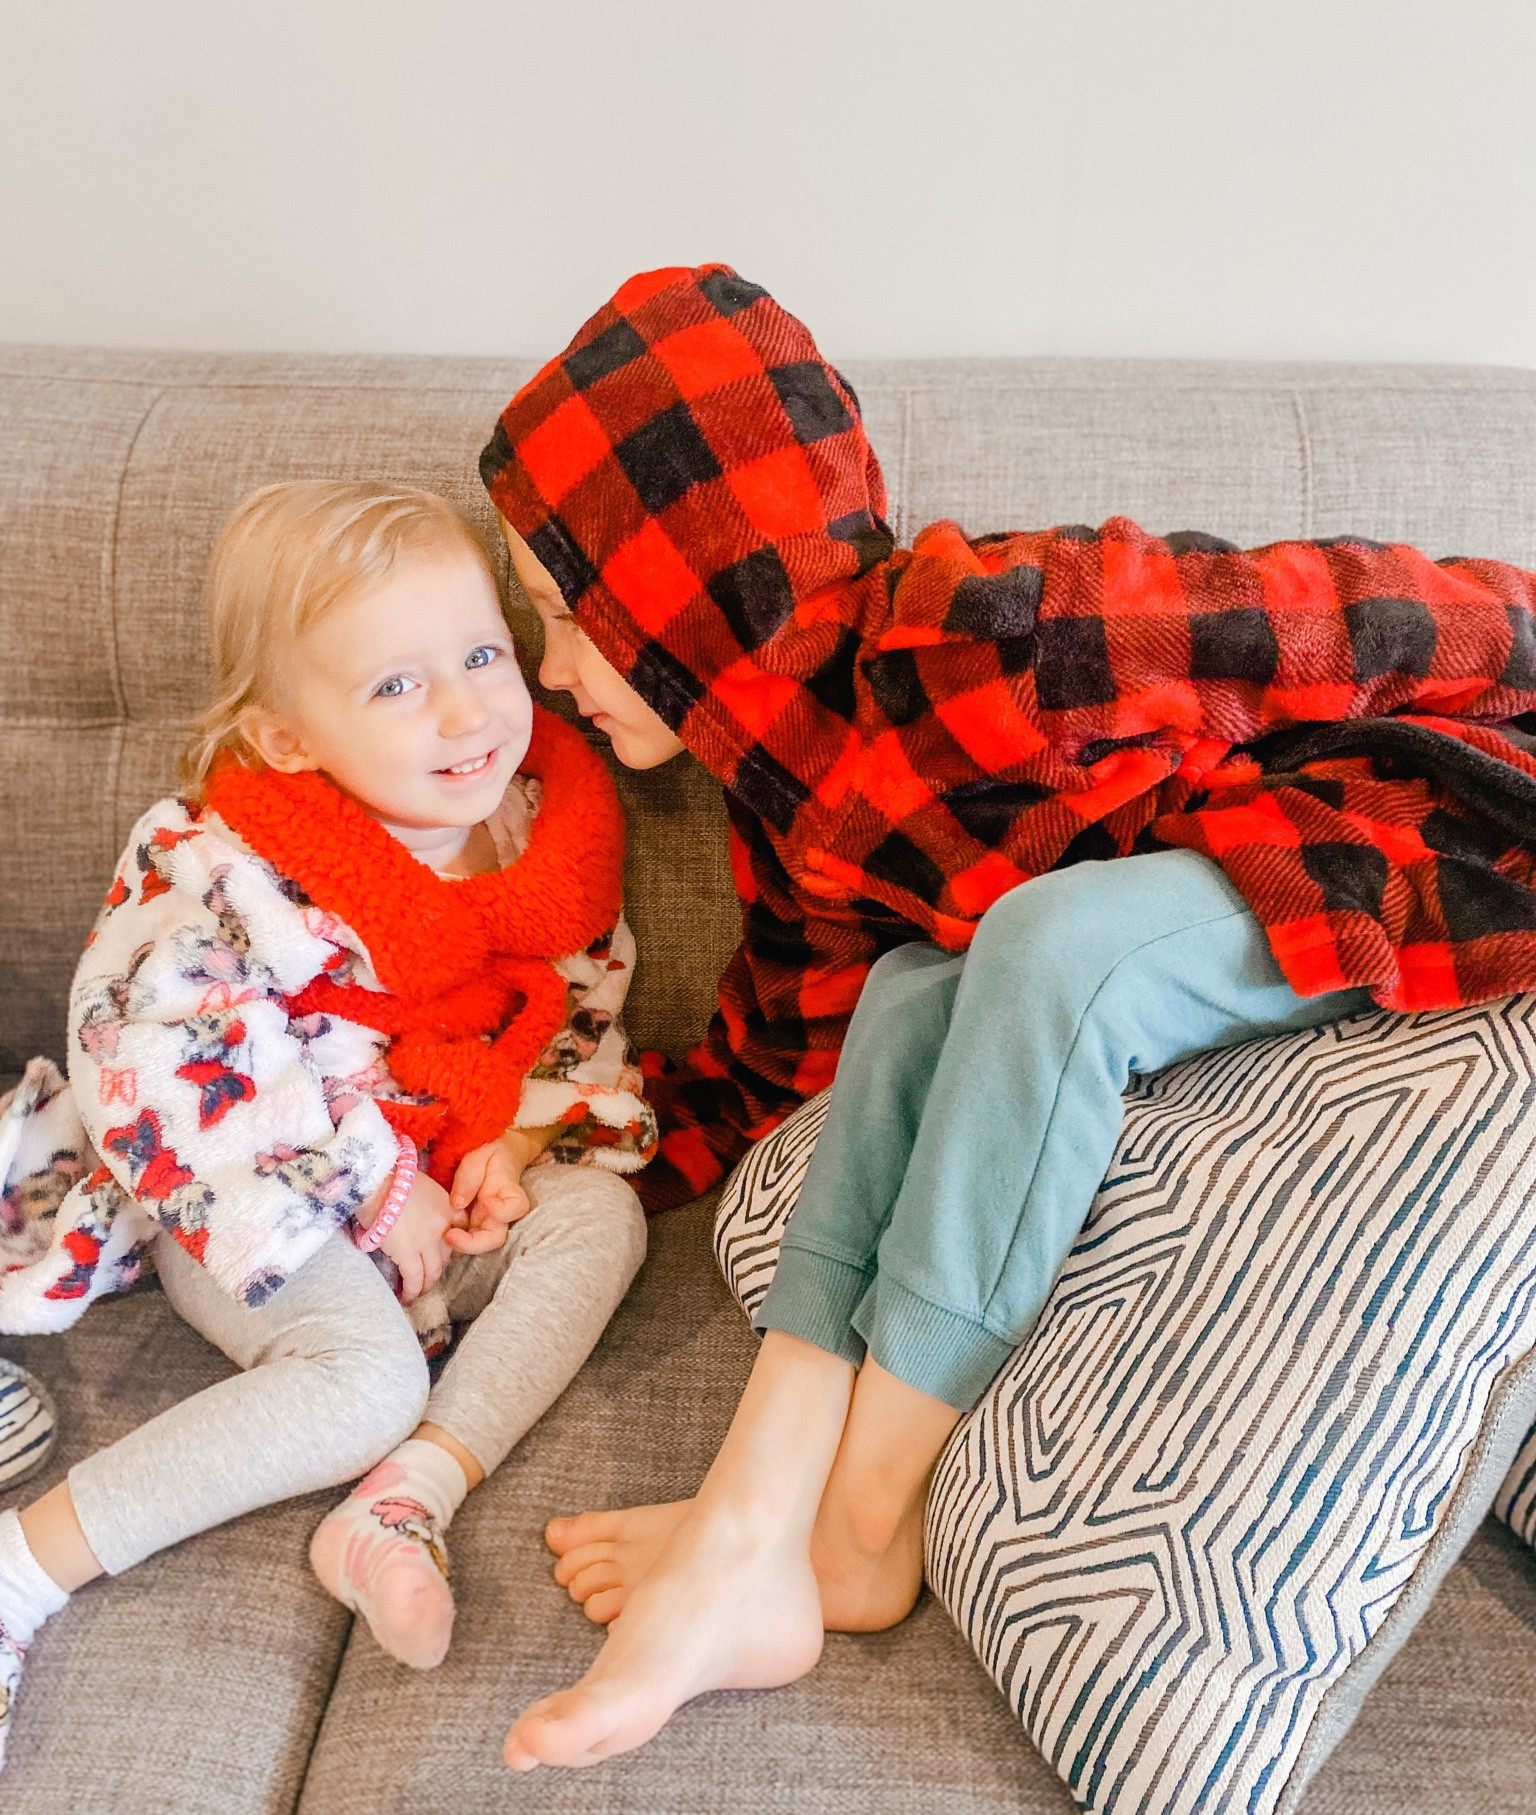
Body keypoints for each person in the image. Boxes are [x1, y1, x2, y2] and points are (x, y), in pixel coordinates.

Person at [473, 263, 1536, 1771]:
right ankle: (748, 1522)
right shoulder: (796, 820)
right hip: (1196, 918)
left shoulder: (996, 623)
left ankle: (855, 1526)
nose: (553, 669)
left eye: (564, 612)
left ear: (680, 589)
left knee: (1038, 945)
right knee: (912, 994)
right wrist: (578, 1162)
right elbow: (766, 1061)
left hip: (1421, 844)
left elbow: (1358, 609)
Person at [0, 481, 654, 1765]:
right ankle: (22, 1574)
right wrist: (369, 1183)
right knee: (364, 1383)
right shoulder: (220, 856)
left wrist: (501, 1150)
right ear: (289, 739)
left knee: (604, 1219)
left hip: (433, 1164)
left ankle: (406, 1499)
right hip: (239, 1185)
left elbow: (578, 1016)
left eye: (480, 657)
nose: (469, 710)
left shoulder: (532, 832)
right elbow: (152, 1044)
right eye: (397, 688)